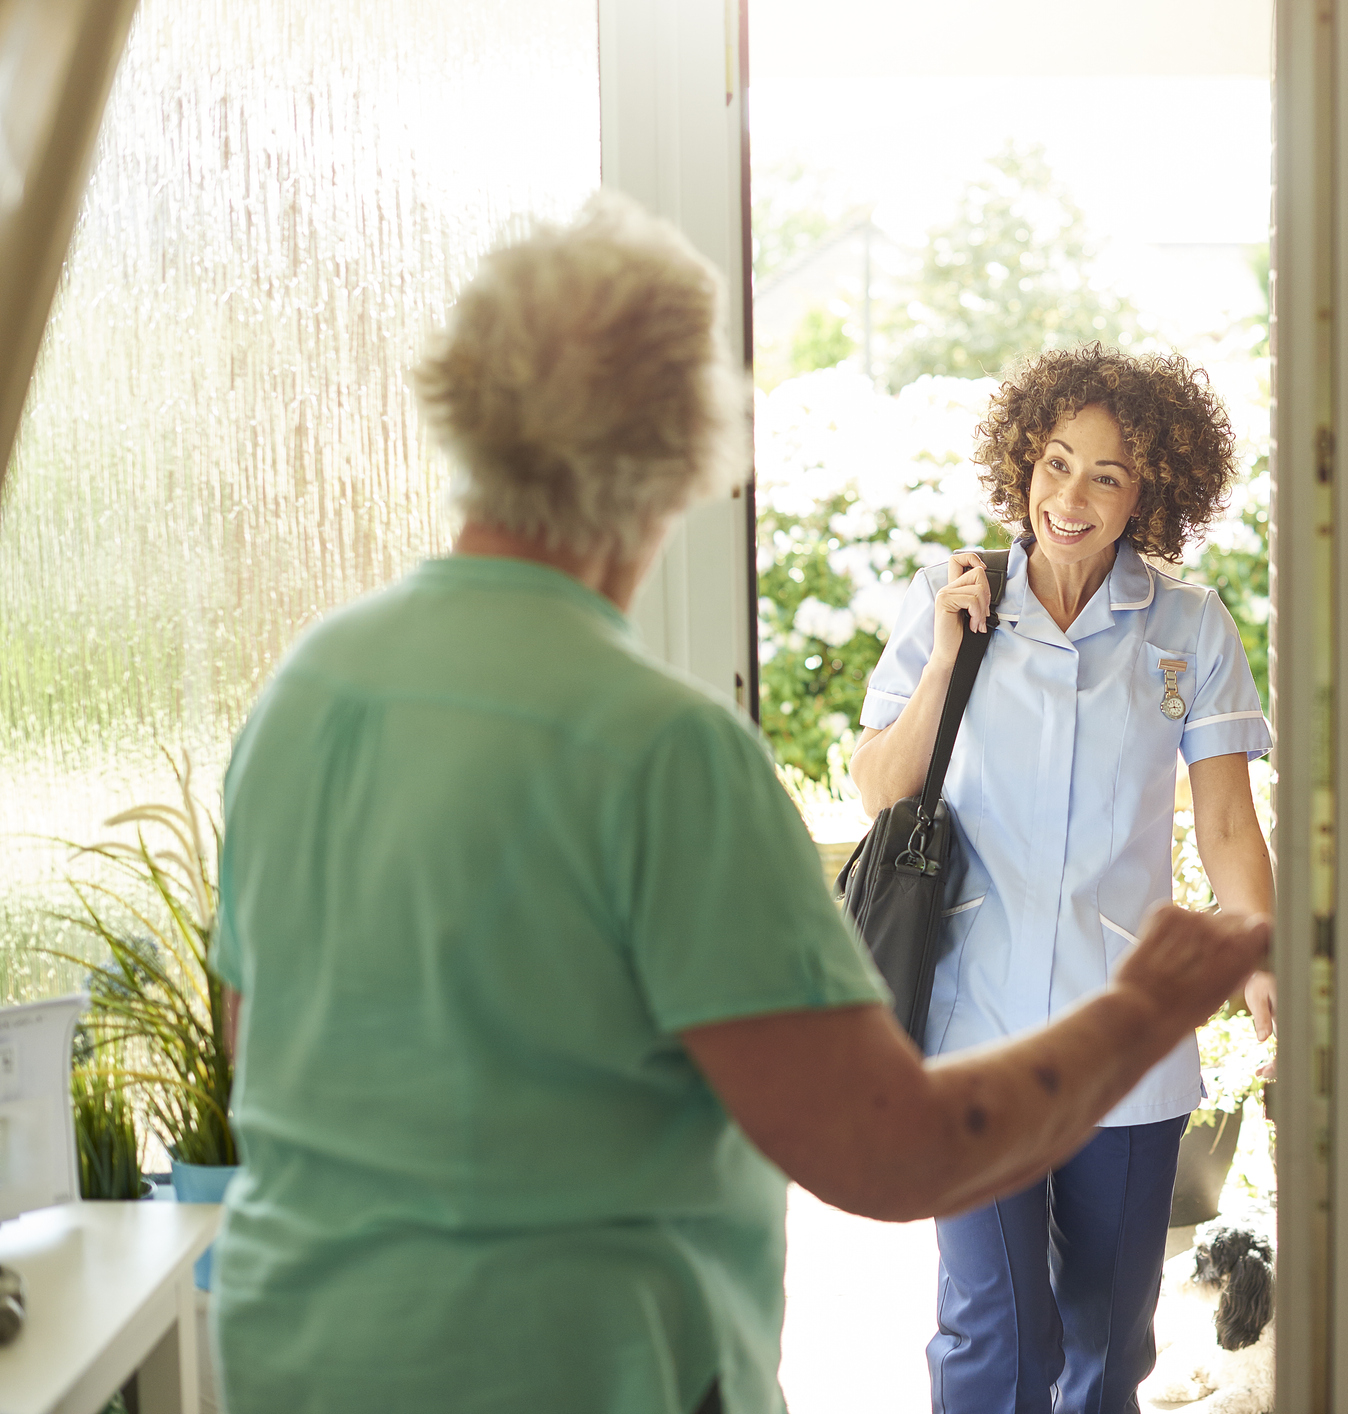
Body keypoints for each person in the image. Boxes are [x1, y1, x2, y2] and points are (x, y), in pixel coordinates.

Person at [207, 195, 1268, 1414]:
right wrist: (1141, 1010)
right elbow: (882, 1146)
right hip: (595, 1370)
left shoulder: (307, 690)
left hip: (296, 1357)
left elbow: (258, 1045)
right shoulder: (670, 757)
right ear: (683, 458)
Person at [850, 345, 1276, 1414]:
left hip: (1127, 1031)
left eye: (1107, 474)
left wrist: (1256, 944)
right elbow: (877, 789)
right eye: (1053, 463)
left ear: (1150, 494)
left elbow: (1225, 815)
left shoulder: (1189, 626)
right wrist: (948, 656)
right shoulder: (952, 599)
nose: (1069, 498)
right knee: (993, 1331)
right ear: (1021, 466)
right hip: (973, 1025)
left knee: (1104, 1340)